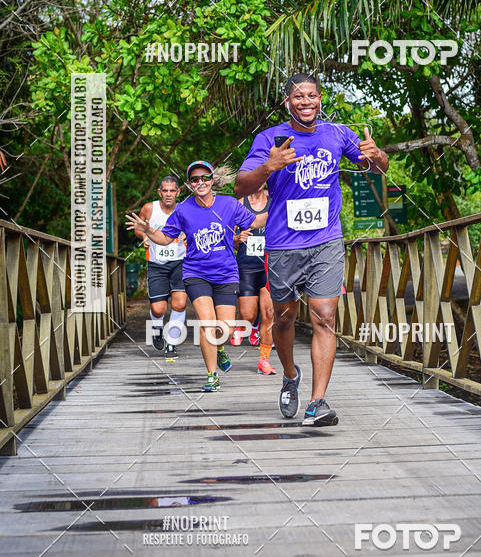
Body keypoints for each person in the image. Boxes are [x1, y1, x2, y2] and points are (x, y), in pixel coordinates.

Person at [235, 73, 388, 426]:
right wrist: (268, 166)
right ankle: (290, 375)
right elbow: (242, 186)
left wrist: (377, 154)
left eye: (312, 95)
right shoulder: (269, 138)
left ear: (320, 100)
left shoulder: (336, 134)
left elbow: (378, 170)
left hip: (326, 240)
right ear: (288, 102)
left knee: (325, 316)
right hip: (283, 244)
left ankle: (318, 401)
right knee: (284, 317)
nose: (306, 101)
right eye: (298, 96)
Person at [126, 161, 266, 392]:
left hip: (226, 273)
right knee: (207, 323)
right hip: (195, 273)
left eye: (204, 177)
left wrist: (283, 208)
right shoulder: (183, 209)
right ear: (190, 185)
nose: (200, 182)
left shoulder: (228, 204)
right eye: (194, 179)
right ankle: (212, 375)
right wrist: (149, 230)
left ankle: (220, 349)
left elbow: (255, 221)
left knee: (227, 329)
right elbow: (164, 238)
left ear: (212, 180)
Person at [132, 175, 187, 361]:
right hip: (156, 264)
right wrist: (144, 236)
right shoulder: (149, 208)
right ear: (160, 192)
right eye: (165, 190)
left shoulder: (185, 209)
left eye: (173, 190)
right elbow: (138, 227)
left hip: (181, 261)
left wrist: (189, 236)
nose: (169, 194)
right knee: (158, 309)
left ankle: (171, 342)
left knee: (179, 303)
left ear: (178, 192)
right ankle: (157, 328)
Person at [232, 183, 276, 375]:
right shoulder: (240, 203)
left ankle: (264, 360)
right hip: (247, 264)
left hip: (270, 263)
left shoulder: (274, 202)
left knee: (269, 312)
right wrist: (237, 238)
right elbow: (228, 236)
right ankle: (250, 325)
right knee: (248, 314)